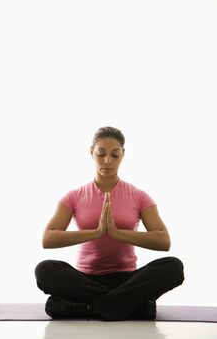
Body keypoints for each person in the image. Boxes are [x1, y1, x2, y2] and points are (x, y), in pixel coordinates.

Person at [35, 126, 184, 321]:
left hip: (128, 280)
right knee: (44, 269)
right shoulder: (74, 196)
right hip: (85, 280)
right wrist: (96, 232)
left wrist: (117, 233)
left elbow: (164, 241)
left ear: (123, 154)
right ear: (91, 152)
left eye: (115, 155)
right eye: (101, 154)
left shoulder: (139, 196)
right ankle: (128, 305)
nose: (107, 161)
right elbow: (48, 239)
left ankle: (89, 307)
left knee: (173, 266)